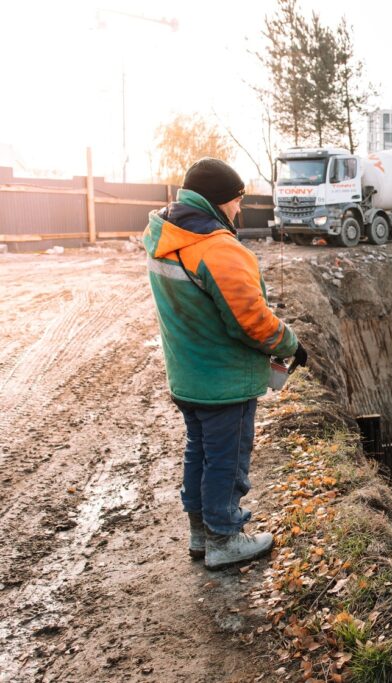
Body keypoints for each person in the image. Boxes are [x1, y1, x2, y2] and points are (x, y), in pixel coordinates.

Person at [142, 158, 307, 570]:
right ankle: (224, 538)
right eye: (237, 201)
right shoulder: (217, 248)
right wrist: (291, 343)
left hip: (188, 375)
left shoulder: (163, 234)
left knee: (200, 452)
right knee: (227, 459)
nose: (239, 210)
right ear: (221, 201)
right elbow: (251, 321)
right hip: (222, 380)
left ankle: (201, 533)